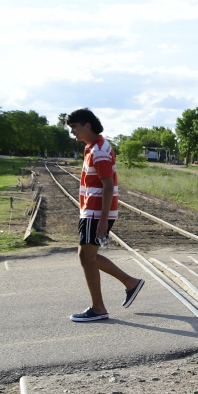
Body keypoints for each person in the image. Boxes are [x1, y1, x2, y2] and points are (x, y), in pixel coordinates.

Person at [67, 109, 144, 321]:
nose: (72, 132)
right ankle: (130, 283)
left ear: (87, 125)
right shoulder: (93, 147)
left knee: (85, 256)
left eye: (74, 127)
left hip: (96, 212)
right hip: (91, 211)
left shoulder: (99, 151)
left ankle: (99, 308)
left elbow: (108, 186)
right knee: (87, 256)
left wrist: (102, 220)